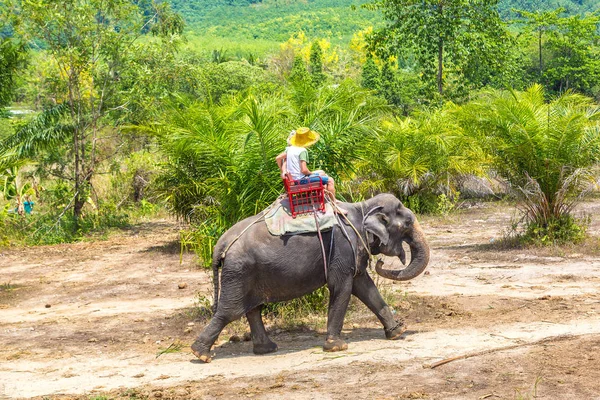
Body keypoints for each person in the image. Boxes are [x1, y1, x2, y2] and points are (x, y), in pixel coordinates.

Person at [276, 127, 346, 213]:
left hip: (294, 179)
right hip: (301, 180)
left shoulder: (290, 149)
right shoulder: (302, 151)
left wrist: (283, 171)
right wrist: (310, 173)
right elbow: (304, 170)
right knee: (330, 180)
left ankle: (329, 198)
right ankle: (335, 206)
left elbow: (279, 159)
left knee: (321, 173)